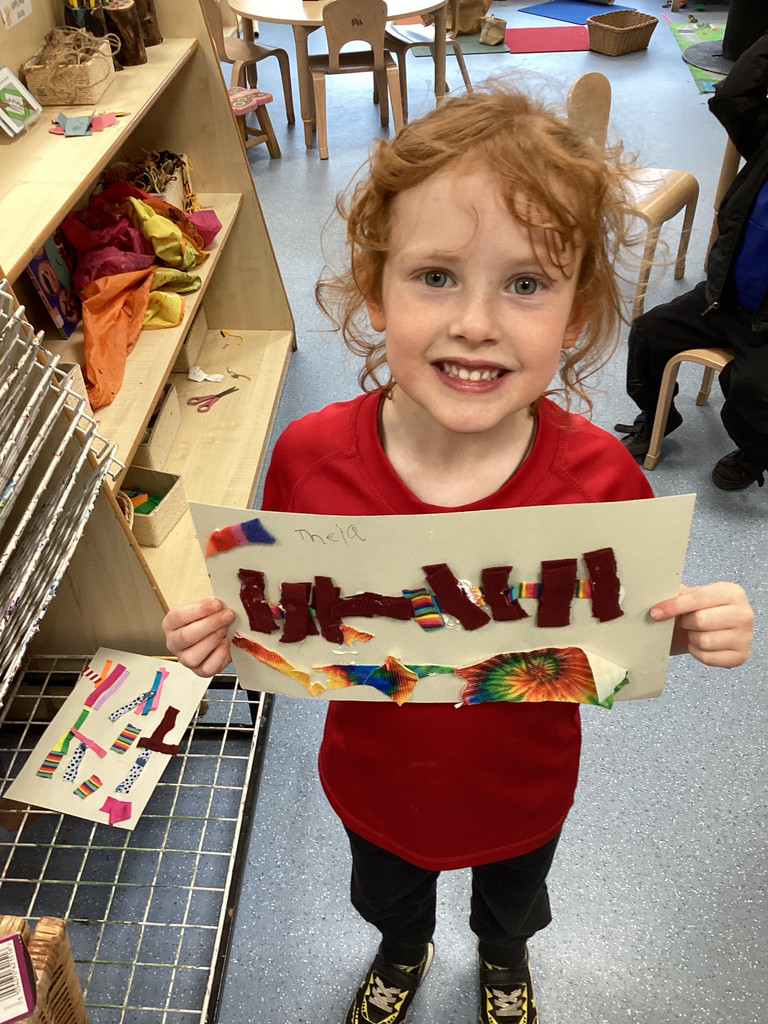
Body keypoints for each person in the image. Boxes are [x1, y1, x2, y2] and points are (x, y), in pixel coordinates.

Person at [163, 86, 754, 1024]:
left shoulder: (602, 479)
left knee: (512, 906)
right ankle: (404, 953)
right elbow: (279, 610)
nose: (477, 322)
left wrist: (689, 631)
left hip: (523, 786)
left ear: (576, 312)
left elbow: (627, 632)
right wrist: (220, 631)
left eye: (526, 284)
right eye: (436, 275)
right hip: (375, 780)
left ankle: (503, 959)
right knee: (390, 900)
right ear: (376, 288)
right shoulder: (309, 457)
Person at [615, 30, 768, 490]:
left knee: (752, 390)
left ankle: (754, 454)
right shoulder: (764, 142)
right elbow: (733, 96)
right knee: (648, 333)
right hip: (722, 299)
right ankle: (658, 415)